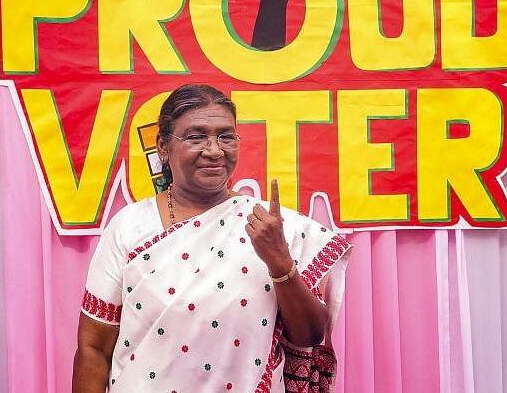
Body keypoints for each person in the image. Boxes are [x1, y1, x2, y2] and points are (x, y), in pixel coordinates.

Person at [72, 84, 352, 392]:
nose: (214, 150)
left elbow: (309, 337)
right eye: (196, 136)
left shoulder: (269, 227)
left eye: (226, 136)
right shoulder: (130, 227)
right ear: (163, 147)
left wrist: (280, 262)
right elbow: (93, 350)